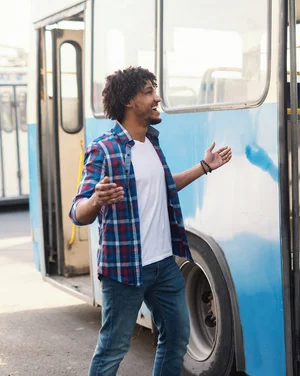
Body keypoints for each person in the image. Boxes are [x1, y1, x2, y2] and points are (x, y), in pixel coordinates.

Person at [69, 66, 232, 376]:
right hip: (124, 269)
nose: (157, 98)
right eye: (148, 92)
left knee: (176, 338)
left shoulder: (151, 143)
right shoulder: (104, 149)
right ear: (129, 101)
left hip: (164, 265)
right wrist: (96, 199)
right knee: (113, 349)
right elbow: (78, 211)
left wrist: (204, 167)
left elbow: (164, 185)